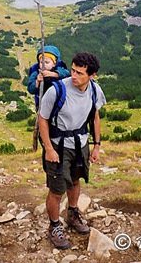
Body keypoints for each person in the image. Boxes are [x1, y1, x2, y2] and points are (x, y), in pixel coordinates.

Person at [38, 52, 106, 249]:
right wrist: (49, 149)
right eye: (73, 70)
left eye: (79, 73)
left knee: (75, 181)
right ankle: (54, 226)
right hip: (59, 146)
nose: (73, 76)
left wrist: (97, 145)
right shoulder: (58, 90)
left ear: (92, 75)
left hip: (81, 143)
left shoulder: (95, 90)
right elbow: (42, 119)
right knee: (57, 189)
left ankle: (73, 214)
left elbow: (95, 117)